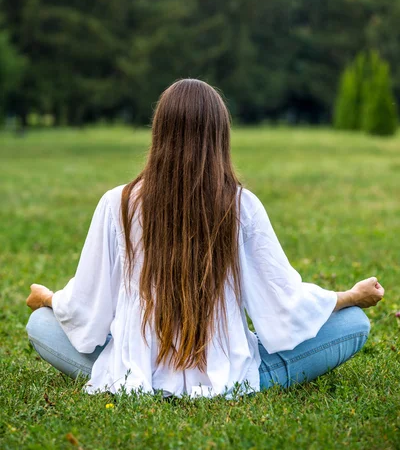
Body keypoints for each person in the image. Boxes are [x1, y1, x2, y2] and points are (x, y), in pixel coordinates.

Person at [26, 79, 384, 398]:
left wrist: (51, 299)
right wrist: (349, 296)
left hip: (134, 372)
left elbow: (87, 308)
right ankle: (228, 379)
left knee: (41, 325)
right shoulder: (242, 205)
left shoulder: (117, 204)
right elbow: (284, 306)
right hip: (226, 376)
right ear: (220, 136)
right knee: (354, 323)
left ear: (159, 133)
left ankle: (132, 378)